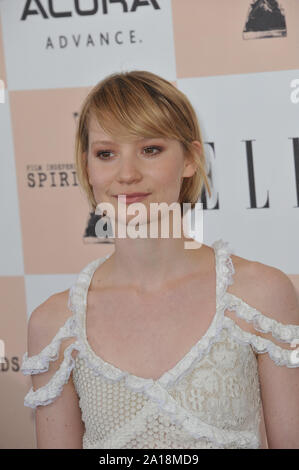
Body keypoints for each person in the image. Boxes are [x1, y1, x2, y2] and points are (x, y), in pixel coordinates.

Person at [21, 70, 299, 449]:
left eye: (150, 149)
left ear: (191, 159)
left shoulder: (261, 296)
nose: (127, 174)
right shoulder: (54, 326)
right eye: (106, 153)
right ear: (87, 167)